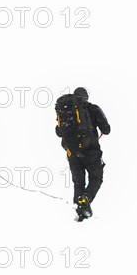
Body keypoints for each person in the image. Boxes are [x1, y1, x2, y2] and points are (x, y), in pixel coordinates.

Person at [55, 87, 110, 221]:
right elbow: (106, 129)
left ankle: (78, 212)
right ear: (86, 97)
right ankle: (85, 199)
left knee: (78, 183)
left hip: (72, 152)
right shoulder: (93, 109)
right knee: (96, 178)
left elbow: (58, 131)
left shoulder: (66, 111)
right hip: (91, 151)